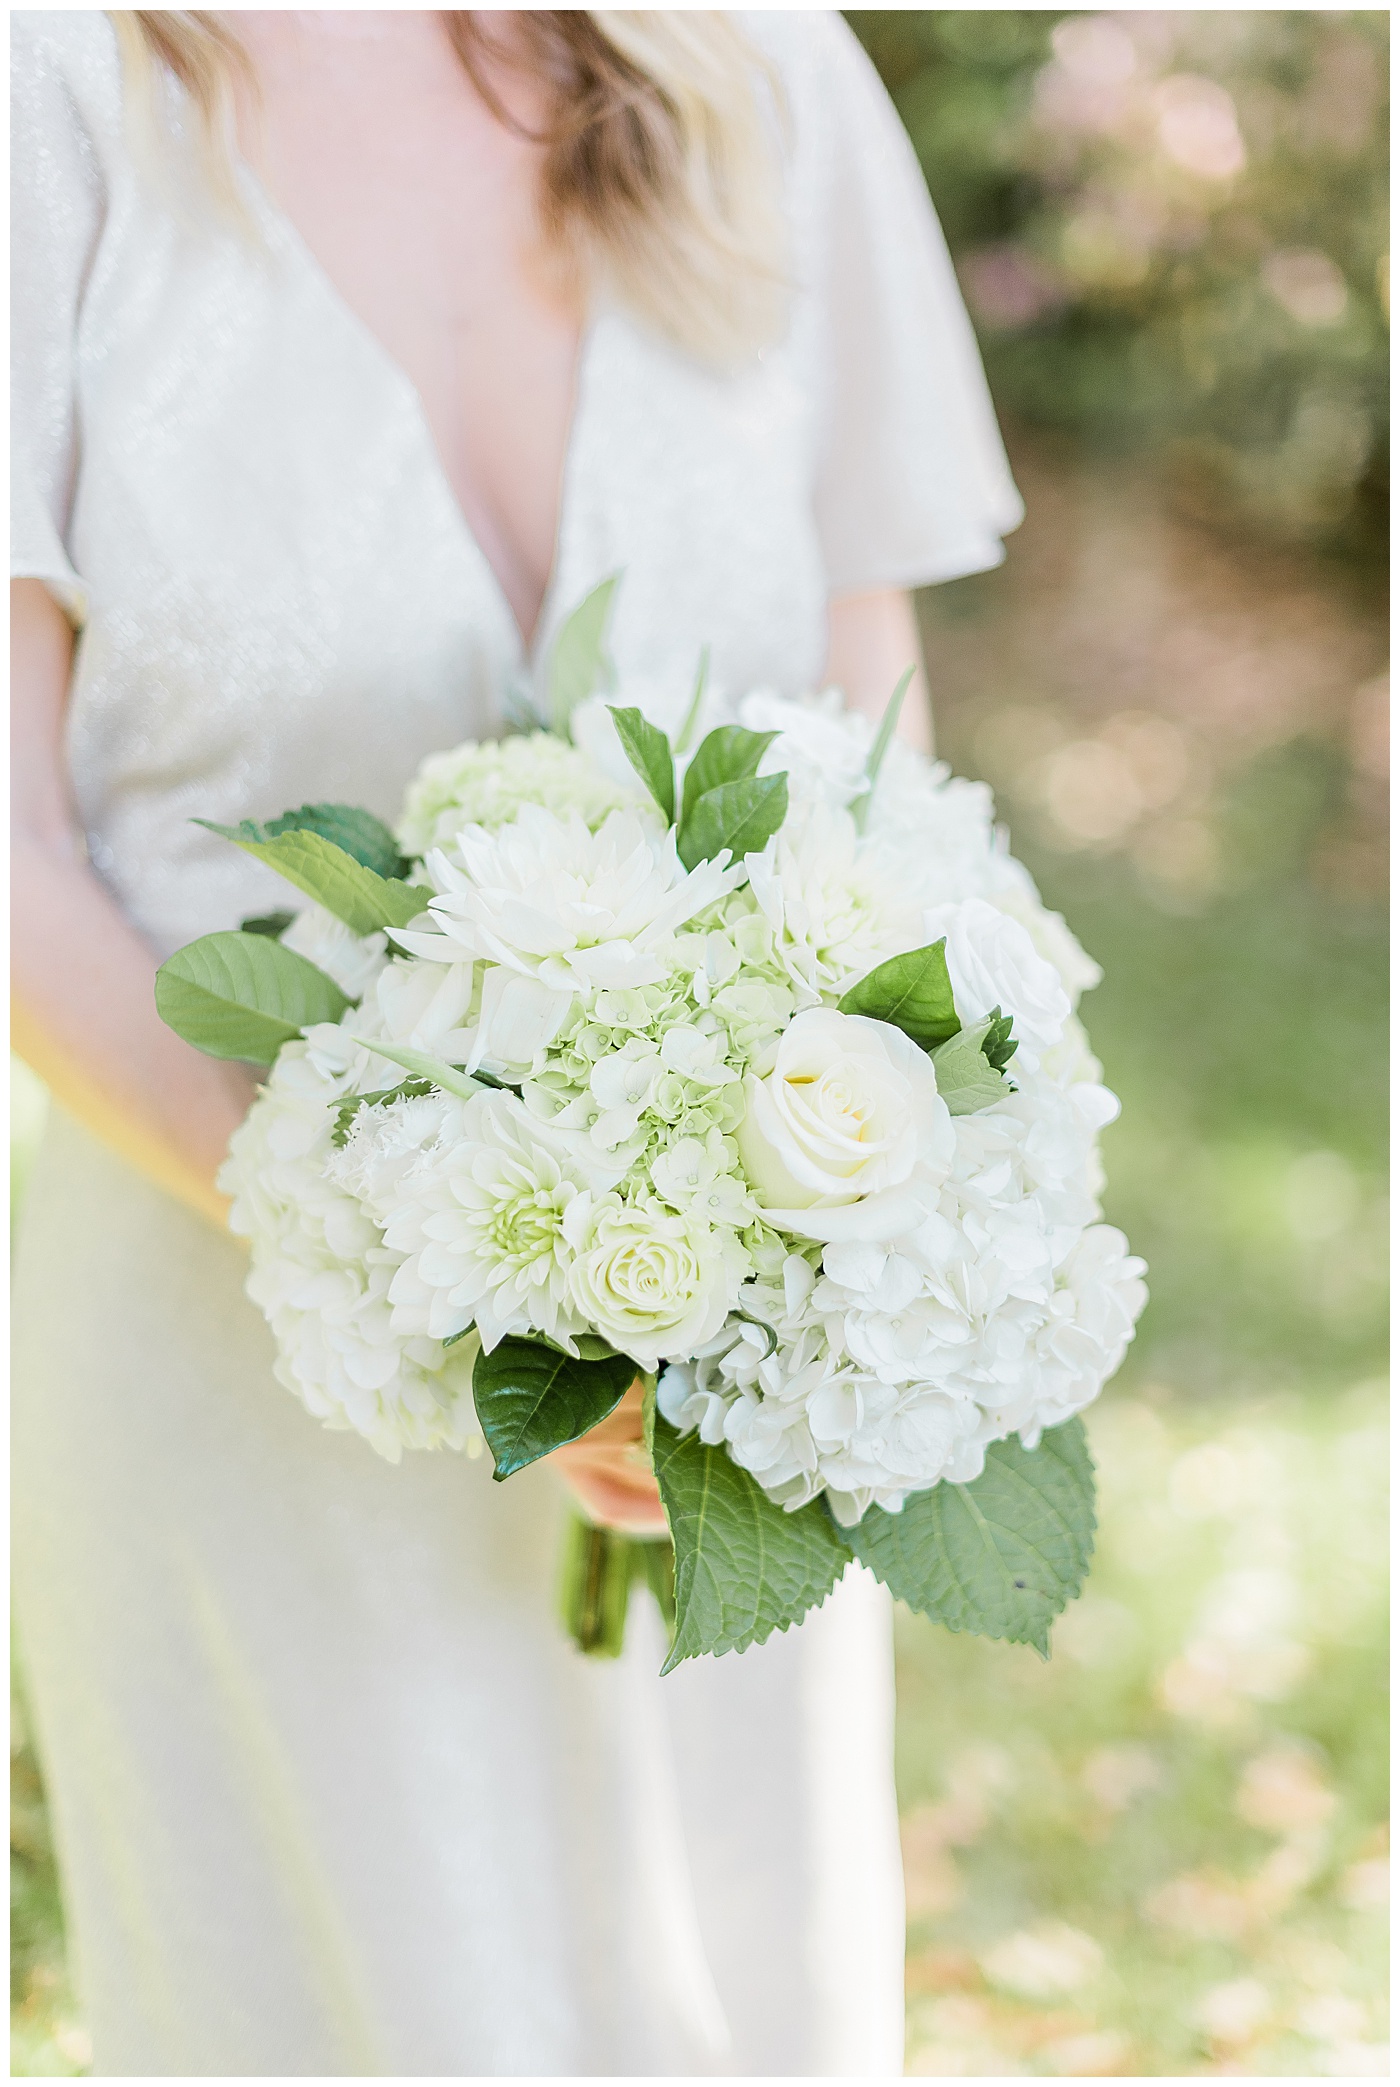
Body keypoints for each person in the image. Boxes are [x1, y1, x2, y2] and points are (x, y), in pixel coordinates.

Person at [11, 9, 1022, 2074]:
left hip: (720, 1404)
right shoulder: (53, 88)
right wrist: (441, 1284)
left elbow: (875, 759)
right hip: (233, 1344)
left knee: (756, 2014)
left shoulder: (752, 69)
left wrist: (820, 1252)